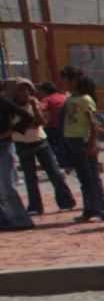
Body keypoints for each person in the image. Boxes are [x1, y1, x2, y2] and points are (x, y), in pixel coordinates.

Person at [9, 79, 75, 215]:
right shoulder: (10, 107)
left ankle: (66, 201)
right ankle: (35, 206)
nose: (25, 93)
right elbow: (14, 126)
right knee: (30, 176)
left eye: (27, 90)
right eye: (21, 90)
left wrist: (34, 106)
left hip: (40, 141)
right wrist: (25, 125)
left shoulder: (34, 104)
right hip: (22, 144)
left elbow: (41, 122)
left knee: (54, 172)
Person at [61, 72, 104, 222]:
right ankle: (88, 210)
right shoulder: (70, 99)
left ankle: (101, 210)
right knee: (83, 178)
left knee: (92, 177)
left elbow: (93, 123)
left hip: (84, 140)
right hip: (72, 140)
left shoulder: (85, 99)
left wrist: (92, 143)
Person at [0, 87, 35, 229]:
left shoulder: (3, 102)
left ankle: (21, 220)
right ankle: (5, 221)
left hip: (2, 146)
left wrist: (7, 133)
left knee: (6, 186)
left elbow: (28, 118)